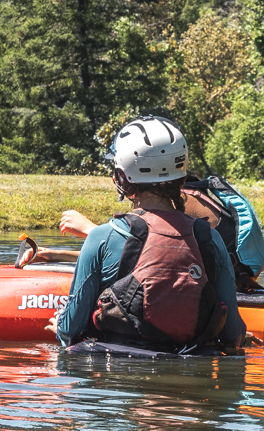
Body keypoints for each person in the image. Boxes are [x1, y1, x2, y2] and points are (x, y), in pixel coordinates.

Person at [46, 117, 249, 354]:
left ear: (122, 178)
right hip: (191, 375)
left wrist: (60, 326)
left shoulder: (101, 237)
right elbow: (233, 334)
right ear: (182, 178)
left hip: (117, 377)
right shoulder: (211, 239)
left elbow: (72, 329)